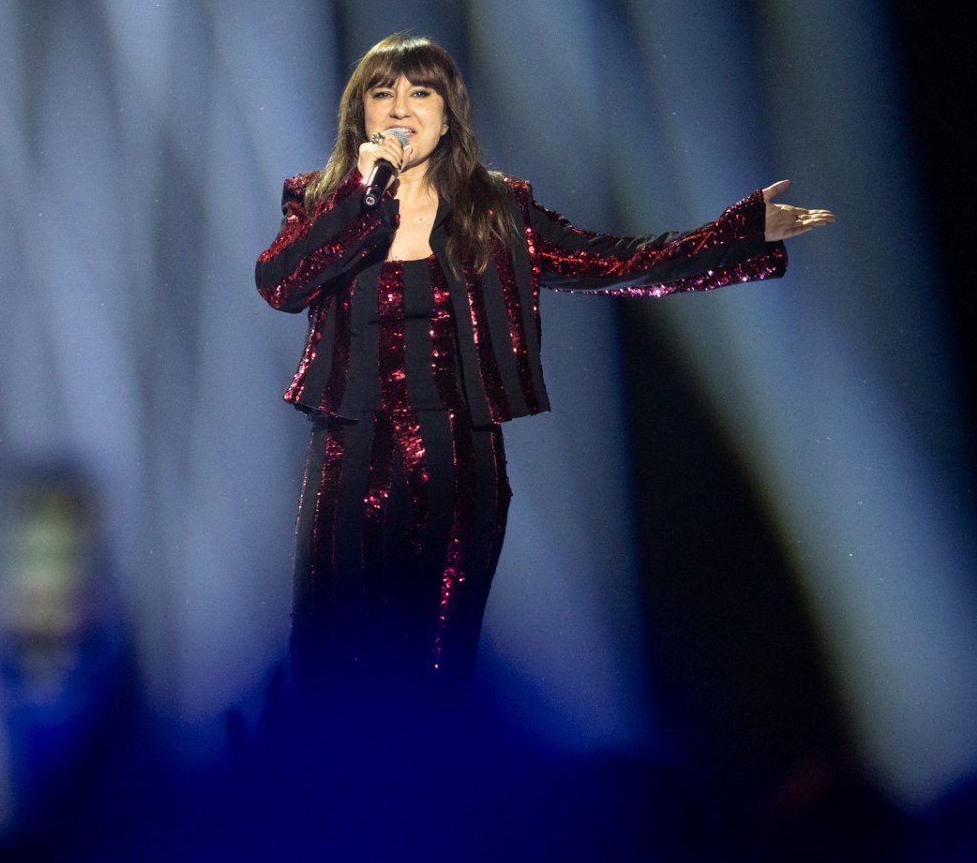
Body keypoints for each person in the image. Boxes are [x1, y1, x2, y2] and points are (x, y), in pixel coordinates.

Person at [254, 34, 832, 693]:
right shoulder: (319, 199)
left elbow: (623, 262)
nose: (401, 108)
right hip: (350, 453)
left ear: (450, 112)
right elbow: (281, 284)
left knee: (436, 667)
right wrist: (362, 195)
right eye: (383, 92)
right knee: (330, 660)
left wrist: (738, 233)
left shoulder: (497, 210)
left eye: (421, 91)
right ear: (359, 112)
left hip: (455, 456)